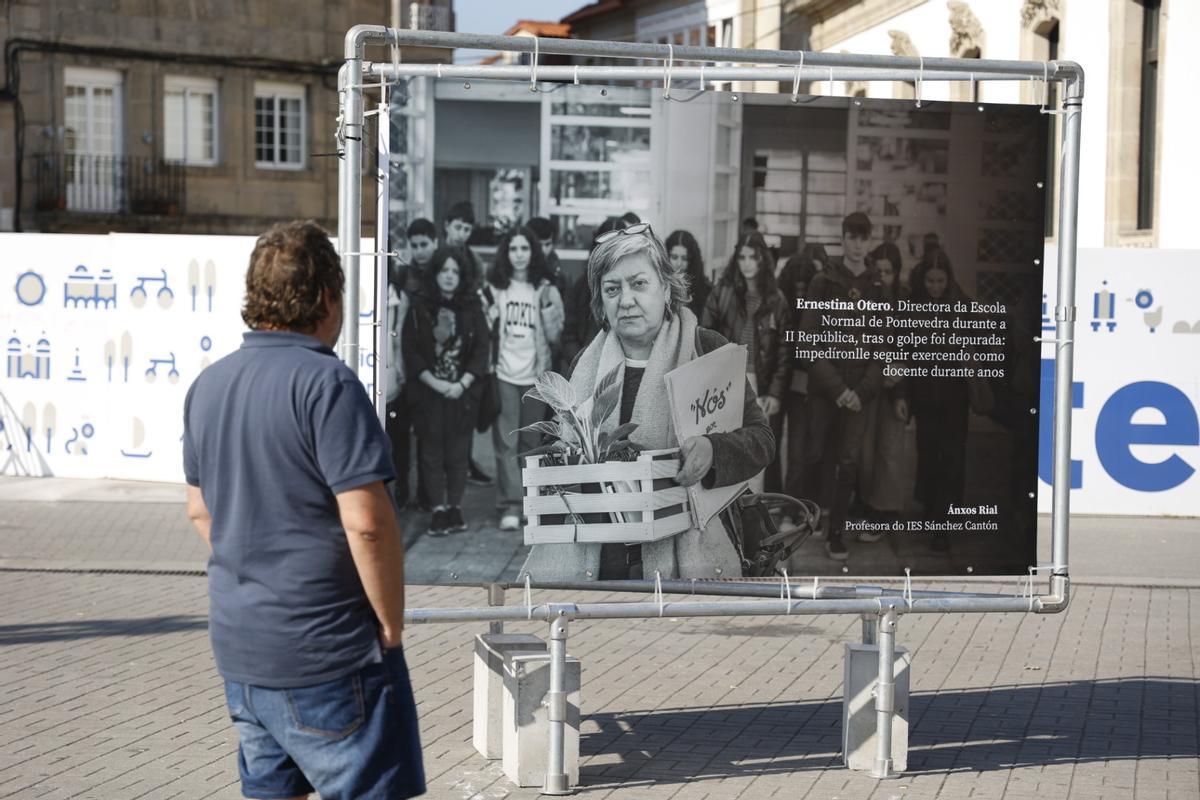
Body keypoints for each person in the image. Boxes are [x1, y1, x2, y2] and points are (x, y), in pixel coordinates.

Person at [183, 221, 425, 799]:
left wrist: (258, 571)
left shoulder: (208, 386)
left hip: (243, 651)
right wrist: (389, 625)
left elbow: (197, 509)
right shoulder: (329, 384)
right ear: (326, 297)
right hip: (329, 650)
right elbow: (367, 522)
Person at [520, 223, 775, 581]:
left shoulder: (706, 350)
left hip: (688, 563)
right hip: (598, 568)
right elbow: (565, 454)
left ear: (667, 289)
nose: (626, 300)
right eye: (612, 289)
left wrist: (714, 450)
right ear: (600, 303)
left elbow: (763, 440)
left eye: (639, 284)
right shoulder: (584, 366)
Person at [799, 212, 886, 561]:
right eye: (851, 237)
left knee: (849, 462)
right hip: (826, 389)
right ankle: (816, 518)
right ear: (842, 239)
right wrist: (837, 389)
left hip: (859, 394)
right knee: (818, 453)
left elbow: (885, 343)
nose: (856, 244)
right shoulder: (823, 281)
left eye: (862, 238)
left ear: (869, 242)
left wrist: (861, 391)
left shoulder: (879, 286)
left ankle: (837, 533)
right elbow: (807, 341)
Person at [481, 225, 565, 532]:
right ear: (506, 253)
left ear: (533, 252)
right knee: (506, 441)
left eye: (524, 249)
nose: (519, 255)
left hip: (535, 374)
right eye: (513, 249)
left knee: (530, 441)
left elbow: (557, 335)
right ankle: (511, 505)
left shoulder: (543, 288)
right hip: (503, 373)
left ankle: (532, 502)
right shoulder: (495, 288)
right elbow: (485, 329)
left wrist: (550, 309)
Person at [402, 245, 489, 537]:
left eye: (455, 271)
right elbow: (410, 350)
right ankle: (437, 509)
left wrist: (462, 383)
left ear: (462, 275)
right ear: (435, 274)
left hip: (462, 394)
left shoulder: (472, 306)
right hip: (429, 393)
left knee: (458, 454)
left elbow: (481, 349)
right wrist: (435, 383)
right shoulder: (419, 306)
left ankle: (455, 507)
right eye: (444, 271)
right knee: (431, 454)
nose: (449, 276)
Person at [701, 233, 790, 494]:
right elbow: (704, 336)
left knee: (755, 451)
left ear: (763, 259)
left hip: (759, 384)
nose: (747, 263)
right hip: (727, 379)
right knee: (727, 444)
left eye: (753, 257)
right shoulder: (723, 293)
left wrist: (774, 392)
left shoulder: (777, 299)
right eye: (742, 257)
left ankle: (752, 513)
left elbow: (784, 352)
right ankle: (729, 513)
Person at [895, 249, 972, 551]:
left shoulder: (961, 307)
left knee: (951, 458)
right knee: (928, 453)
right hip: (925, 397)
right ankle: (932, 509)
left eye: (941, 281)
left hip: (954, 398)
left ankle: (943, 520)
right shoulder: (914, 307)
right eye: (930, 280)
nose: (936, 287)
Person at [856, 241, 911, 542]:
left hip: (894, 387)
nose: (883, 276)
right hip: (869, 381)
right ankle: (868, 505)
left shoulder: (904, 299)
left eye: (889, 272)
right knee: (865, 450)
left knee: (889, 449)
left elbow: (908, 346)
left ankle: (885, 510)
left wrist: (901, 388)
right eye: (879, 270)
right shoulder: (867, 296)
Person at [387, 217, 439, 509]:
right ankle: (404, 488)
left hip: (428, 362)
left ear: (434, 243)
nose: (419, 251)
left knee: (427, 434)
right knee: (403, 435)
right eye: (414, 245)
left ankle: (426, 494)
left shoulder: (438, 271)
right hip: (406, 363)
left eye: (424, 245)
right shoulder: (402, 278)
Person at [442, 201, 493, 486]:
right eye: (458, 227)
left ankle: (464, 461)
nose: (462, 233)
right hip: (439, 335)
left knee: (466, 411)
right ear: (447, 225)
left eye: (466, 228)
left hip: (468, 336)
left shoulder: (473, 261)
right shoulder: (437, 256)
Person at [775, 243, 827, 516]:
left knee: (802, 449)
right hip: (791, 384)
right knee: (796, 448)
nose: (800, 293)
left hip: (802, 385)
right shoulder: (784, 306)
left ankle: (795, 506)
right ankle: (793, 505)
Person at [562, 214, 639, 367]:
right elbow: (568, 337)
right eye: (606, 248)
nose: (611, 255)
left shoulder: (637, 287)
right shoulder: (580, 288)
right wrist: (583, 364)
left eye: (616, 248)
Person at [528, 216, 571, 372]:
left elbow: (563, 324)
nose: (544, 250)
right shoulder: (517, 271)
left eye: (548, 244)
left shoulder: (559, 276)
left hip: (549, 353)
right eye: (539, 245)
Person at [664, 229, 712, 319]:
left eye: (684, 258)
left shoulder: (706, 291)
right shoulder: (660, 286)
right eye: (674, 257)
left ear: (692, 260)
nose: (679, 263)